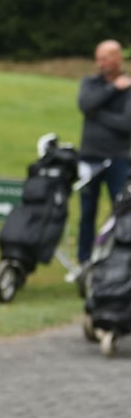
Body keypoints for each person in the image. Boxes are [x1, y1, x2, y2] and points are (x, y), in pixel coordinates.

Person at [77, 39, 131, 263]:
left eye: (105, 58)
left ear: (118, 58)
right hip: (89, 158)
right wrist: (111, 89)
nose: (100, 63)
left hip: (118, 159)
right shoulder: (90, 83)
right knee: (86, 213)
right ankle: (84, 260)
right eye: (98, 58)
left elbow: (126, 124)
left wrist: (97, 114)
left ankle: (117, 261)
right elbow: (85, 104)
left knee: (121, 212)